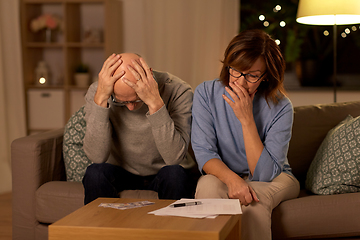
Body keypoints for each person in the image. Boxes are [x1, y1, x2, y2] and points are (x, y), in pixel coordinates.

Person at [191, 29, 300, 240]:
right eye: (236, 71)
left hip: (277, 177)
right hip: (225, 173)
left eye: (251, 76)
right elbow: (204, 153)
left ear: (265, 76)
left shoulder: (282, 106)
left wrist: (246, 119)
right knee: (207, 185)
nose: (240, 82)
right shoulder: (205, 93)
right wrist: (233, 180)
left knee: (253, 199)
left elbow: (264, 175)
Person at [82, 53, 196, 205]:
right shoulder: (98, 91)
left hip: (166, 170)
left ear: (149, 75)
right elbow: (97, 157)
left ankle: (173, 229)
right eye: (122, 102)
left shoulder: (178, 90)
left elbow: (174, 158)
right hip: (120, 171)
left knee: (175, 175)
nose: (130, 107)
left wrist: (154, 102)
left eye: (136, 99)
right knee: (95, 173)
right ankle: (100, 229)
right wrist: (101, 99)